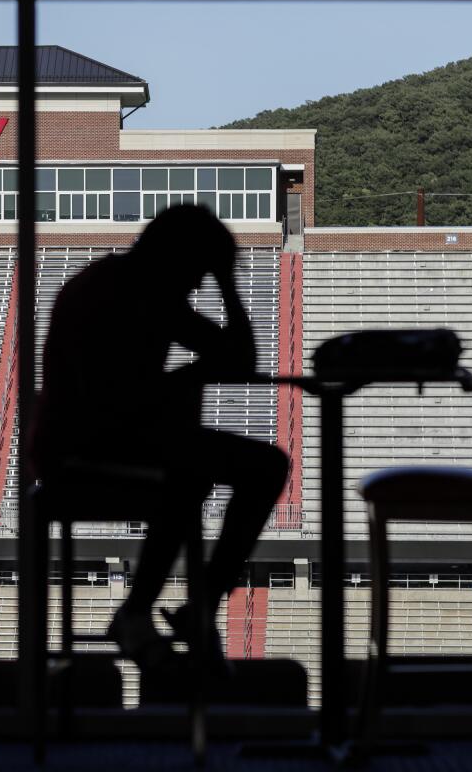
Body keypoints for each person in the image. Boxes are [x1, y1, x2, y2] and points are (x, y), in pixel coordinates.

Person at [30, 204, 289, 666]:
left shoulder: (129, 284)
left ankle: (155, 609)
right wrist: (187, 375)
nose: (196, 286)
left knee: (197, 476)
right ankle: (179, 606)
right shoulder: (130, 294)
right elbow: (111, 401)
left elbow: (238, 361)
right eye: (199, 273)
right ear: (178, 257)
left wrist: (186, 376)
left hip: (84, 441)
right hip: (81, 449)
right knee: (260, 467)